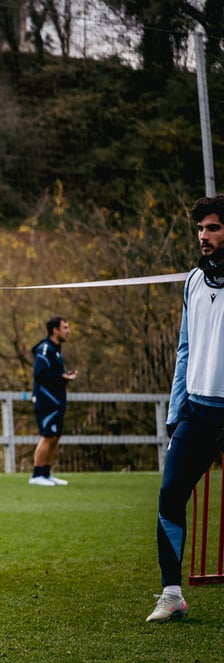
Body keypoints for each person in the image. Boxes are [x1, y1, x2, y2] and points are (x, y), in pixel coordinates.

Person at [147, 195, 224, 622]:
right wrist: (176, 412)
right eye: (200, 229)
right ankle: (172, 594)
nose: (203, 236)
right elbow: (185, 349)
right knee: (169, 496)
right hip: (197, 412)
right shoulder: (193, 281)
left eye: (212, 227)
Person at [29, 316, 77, 486]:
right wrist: (61, 377)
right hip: (46, 400)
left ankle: (46, 473)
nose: (68, 331)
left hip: (57, 401)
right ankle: (36, 474)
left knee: (55, 436)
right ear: (55, 330)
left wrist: (64, 377)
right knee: (47, 435)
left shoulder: (57, 349)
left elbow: (53, 375)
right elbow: (40, 375)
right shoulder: (44, 348)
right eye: (65, 327)